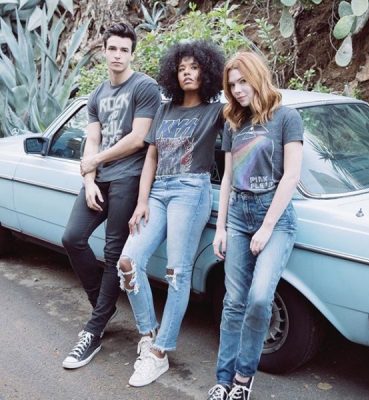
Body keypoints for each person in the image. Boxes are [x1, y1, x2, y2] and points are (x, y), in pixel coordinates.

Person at [116, 40, 225, 387]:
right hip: (158, 192)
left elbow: (248, 124)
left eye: (194, 67)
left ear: (207, 72)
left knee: (177, 272)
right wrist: (142, 201)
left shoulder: (216, 111)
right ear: (173, 74)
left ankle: (160, 353)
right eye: (181, 69)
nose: (187, 73)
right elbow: (151, 157)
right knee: (128, 262)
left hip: (191, 191)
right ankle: (148, 334)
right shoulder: (165, 109)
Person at [61, 22, 161, 369]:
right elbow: (92, 139)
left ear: (132, 54)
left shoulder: (145, 87)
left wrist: (95, 161)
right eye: (113, 49)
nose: (118, 55)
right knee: (72, 238)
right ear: (104, 51)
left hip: (128, 179)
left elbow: (138, 138)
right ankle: (103, 309)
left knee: (112, 251)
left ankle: (94, 329)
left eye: (124, 50)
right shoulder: (96, 95)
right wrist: (89, 180)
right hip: (100, 179)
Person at [207, 52, 304, 400]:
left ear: (258, 77)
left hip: (274, 218)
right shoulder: (234, 122)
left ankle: (244, 377)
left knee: (260, 298)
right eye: (232, 85)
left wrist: (266, 227)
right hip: (238, 214)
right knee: (233, 301)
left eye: (243, 81)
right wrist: (221, 228)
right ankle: (224, 379)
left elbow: (291, 176)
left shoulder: (286, 118)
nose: (237, 90)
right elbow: (228, 178)